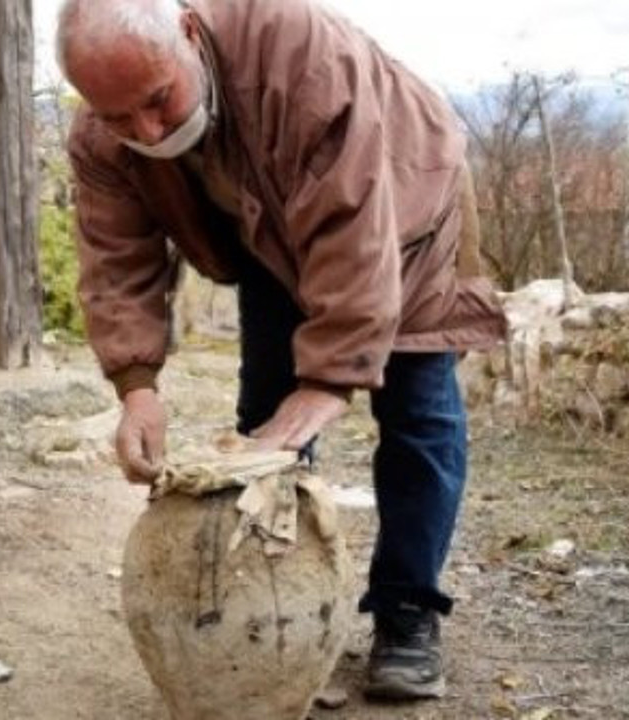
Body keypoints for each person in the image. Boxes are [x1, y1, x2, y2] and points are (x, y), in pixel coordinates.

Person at [56, 0, 508, 701]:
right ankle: (279, 620)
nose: (147, 131)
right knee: (267, 423)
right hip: (269, 238)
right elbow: (117, 260)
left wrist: (328, 383)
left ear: (186, 33)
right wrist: (136, 386)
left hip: (406, 212)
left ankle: (408, 612)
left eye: (158, 100)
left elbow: (355, 223)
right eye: (118, 117)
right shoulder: (102, 136)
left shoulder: (303, 58)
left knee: (417, 413)